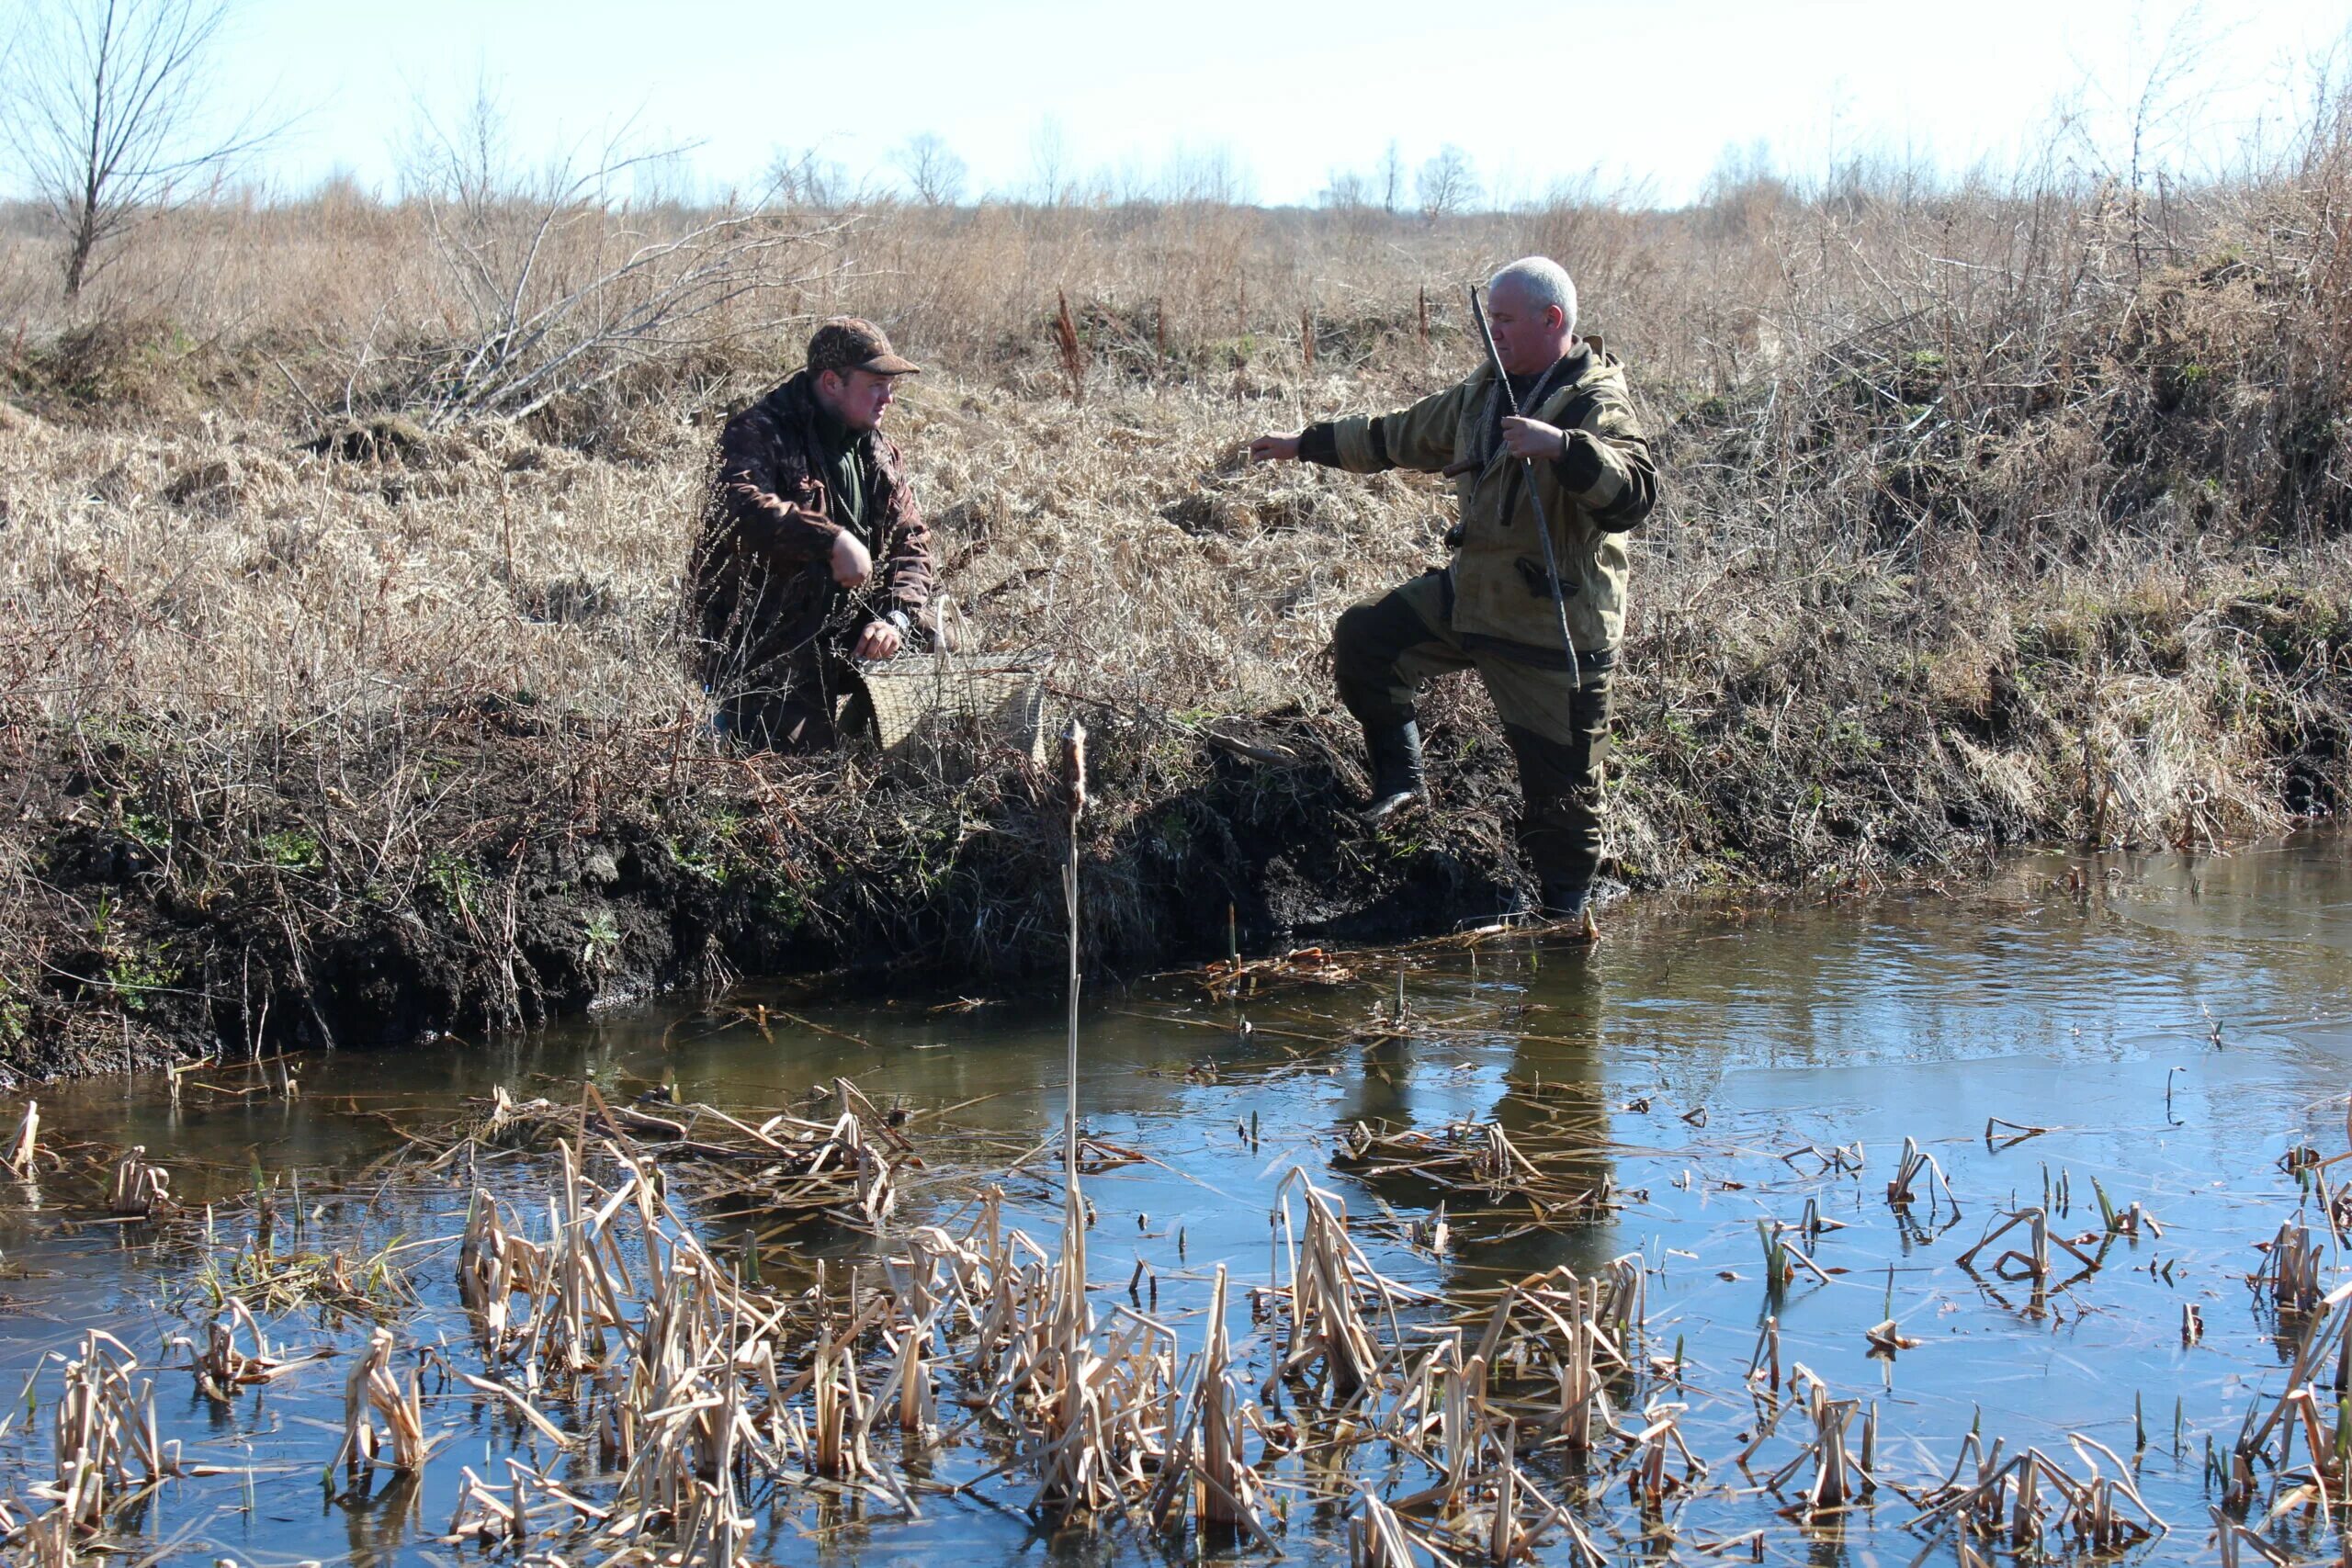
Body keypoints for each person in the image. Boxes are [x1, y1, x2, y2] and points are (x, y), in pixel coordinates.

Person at [1250, 257, 1658, 922]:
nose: (1489, 331)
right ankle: (1401, 782)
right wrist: (1305, 445)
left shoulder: (1596, 401)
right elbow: (1395, 435)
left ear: (1551, 320)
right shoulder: (1484, 392)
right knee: (1366, 639)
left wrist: (1563, 447)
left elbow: (1635, 494)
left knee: (1567, 805)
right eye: (1489, 317)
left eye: (1503, 319)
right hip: (1472, 600)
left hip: (1554, 633)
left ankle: (1566, 932)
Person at [685, 317, 935, 750]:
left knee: (937, 639)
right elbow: (740, 506)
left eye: (890, 385)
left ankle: (866, 723)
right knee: (797, 763)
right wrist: (831, 539)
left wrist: (892, 618)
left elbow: (911, 543)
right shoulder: (759, 432)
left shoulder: (876, 450)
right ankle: (735, 720)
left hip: (843, 624)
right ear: (831, 382)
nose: (888, 398)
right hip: (767, 638)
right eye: (876, 383)